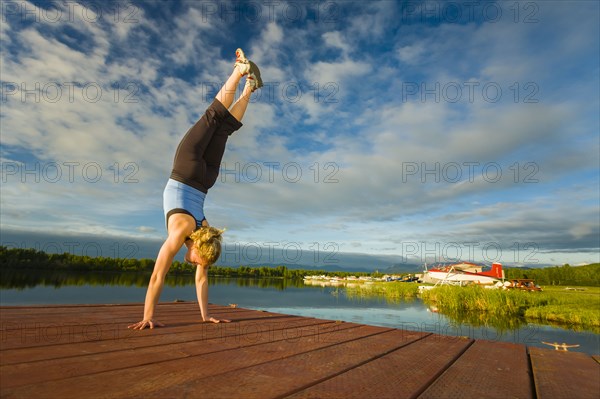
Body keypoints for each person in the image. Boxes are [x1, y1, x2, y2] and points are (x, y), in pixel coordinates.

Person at [128, 49, 262, 330]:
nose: (195, 264)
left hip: (206, 180)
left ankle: (250, 87)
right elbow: (157, 276)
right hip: (186, 171)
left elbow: (201, 280)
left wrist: (205, 317)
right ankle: (240, 71)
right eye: (199, 261)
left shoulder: (206, 230)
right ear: (199, 249)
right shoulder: (180, 232)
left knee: (223, 129)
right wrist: (148, 316)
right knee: (213, 118)